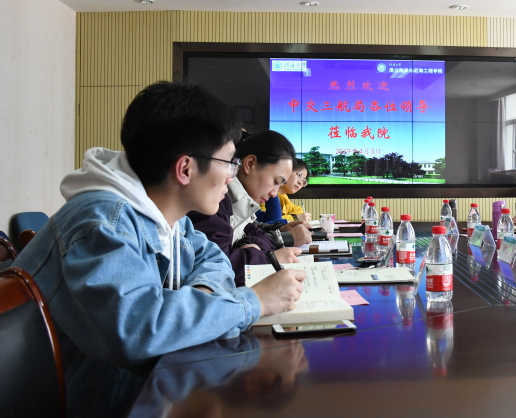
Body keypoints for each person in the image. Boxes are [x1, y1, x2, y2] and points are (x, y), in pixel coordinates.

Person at [9, 81, 306, 411]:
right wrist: (255, 301)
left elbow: (213, 258)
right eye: (227, 163)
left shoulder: (167, 216)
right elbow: (138, 329)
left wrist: (199, 298)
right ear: (185, 168)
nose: (230, 177)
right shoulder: (104, 223)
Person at [189, 130, 312, 286]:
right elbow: (219, 269)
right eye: (227, 163)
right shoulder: (215, 201)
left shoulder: (240, 201)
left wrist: (247, 247)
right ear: (250, 164)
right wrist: (269, 259)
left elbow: (254, 232)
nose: (274, 193)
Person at [278, 158, 312, 223]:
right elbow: (266, 221)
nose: (300, 182)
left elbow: (299, 211)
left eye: (304, 181)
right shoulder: (267, 194)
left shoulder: (283, 196)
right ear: (286, 170)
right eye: (299, 175)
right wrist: (295, 217)